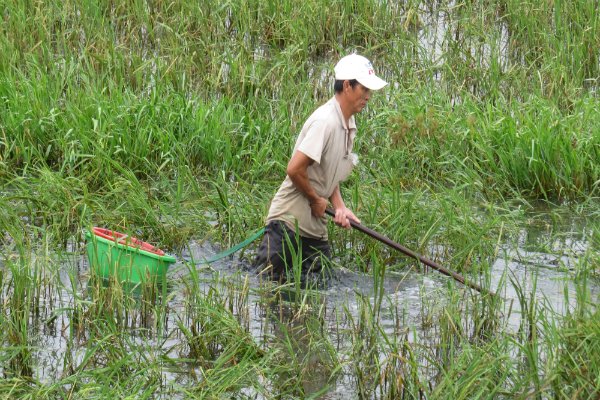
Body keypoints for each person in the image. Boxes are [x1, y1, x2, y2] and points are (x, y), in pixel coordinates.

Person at [252, 53, 388, 284]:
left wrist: (340, 206)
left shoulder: (348, 124)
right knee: (269, 289)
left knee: (320, 292)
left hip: (314, 228)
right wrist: (316, 199)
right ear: (347, 86)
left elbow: (329, 172)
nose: (368, 96)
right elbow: (294, 169)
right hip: (287, 223)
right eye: (364, 89)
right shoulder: (325, 122)